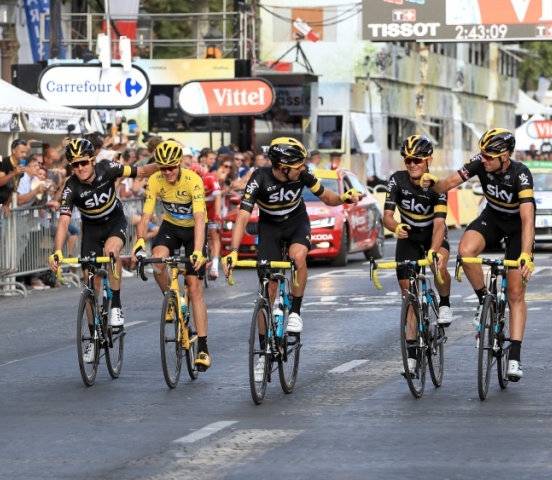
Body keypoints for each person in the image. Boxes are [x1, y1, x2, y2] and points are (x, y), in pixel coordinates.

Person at [224, 138, 360, 374]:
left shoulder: (303, 176)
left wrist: (344, 198)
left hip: (297, 224)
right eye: (298, 164)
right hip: (270, 229)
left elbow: (328, 197)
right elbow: (243, 216)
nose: (302, 168)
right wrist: (233, 252)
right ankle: (263, 351)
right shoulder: (260, 178)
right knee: (267, 290)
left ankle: (295, 311)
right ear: (283, 167)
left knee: (298, 257)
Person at [424, 128, 535, 382]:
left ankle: (515, 358)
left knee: (516, 294)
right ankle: (485, 300)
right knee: (465, 251)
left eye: (488, 156)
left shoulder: (521, 174)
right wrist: (433, 181)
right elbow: (448, 184)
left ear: (504, 157)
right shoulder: (479, 163)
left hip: (518, 227)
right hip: (493, 219)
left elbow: (528, 220)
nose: (482, 159)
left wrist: (526, 255)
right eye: (482, 154)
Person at [48, 139, 157, 362]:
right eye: (75, 164)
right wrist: (57, 251)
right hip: (91, 229)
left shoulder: (107, 168)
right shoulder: (71, 186)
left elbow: (142, 170)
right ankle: (94, 336)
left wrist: (168, 165)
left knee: (111, 252)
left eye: (84, 162)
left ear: (92, 160)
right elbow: (63, 222)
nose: (80, 168)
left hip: (115, 222)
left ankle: (116, 304)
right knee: (90, 282)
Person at [133, 141, 212, 369]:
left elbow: (199, 218)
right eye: (163, 168)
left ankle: (204, 348)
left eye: (171, 167)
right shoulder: (155, 180)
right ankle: (170, 298)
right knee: (157, 259)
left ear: (179, 165)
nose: (167, 172)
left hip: (193, 231)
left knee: (194, 286)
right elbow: (146, 214)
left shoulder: (193, 180)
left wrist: (197, 251)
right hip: (171, 227)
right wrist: (139, 242)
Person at [383, 136, 453, 374]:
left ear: (428, 161)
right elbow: (387, 217)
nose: (412, 164)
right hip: (409, 237)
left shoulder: (437, 185)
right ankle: (412, 356)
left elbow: (440, 225)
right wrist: (395, 228)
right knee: (408, 296)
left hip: (433, 234)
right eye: (408, 159)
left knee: (438, 265)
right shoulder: (397, 180)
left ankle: (444, 303)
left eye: (417, 160)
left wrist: (434, 251)